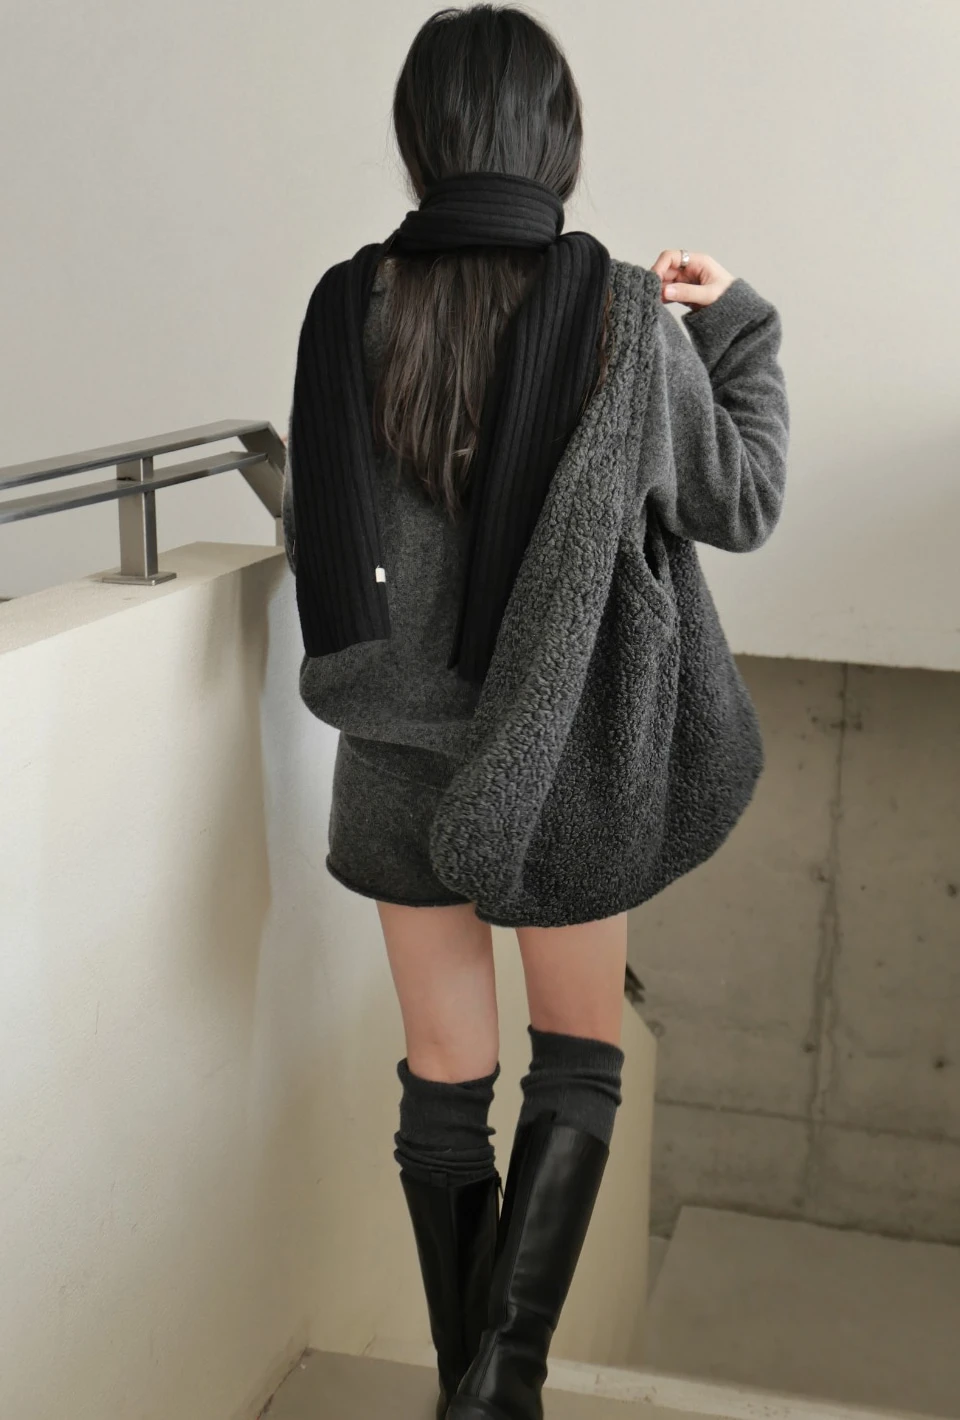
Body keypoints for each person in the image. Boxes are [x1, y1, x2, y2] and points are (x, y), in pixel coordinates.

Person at [281, 6, 789, 1417]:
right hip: (559, 748)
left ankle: (476, 1388)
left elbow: (328, 521)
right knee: (578, 1058)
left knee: (446, 1083)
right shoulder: (620, 314)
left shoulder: (346, 306)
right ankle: (502, 1388)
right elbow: (742, 498)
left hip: (395, 757)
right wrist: (738, 325)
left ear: (419, 140)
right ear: (555, 139)